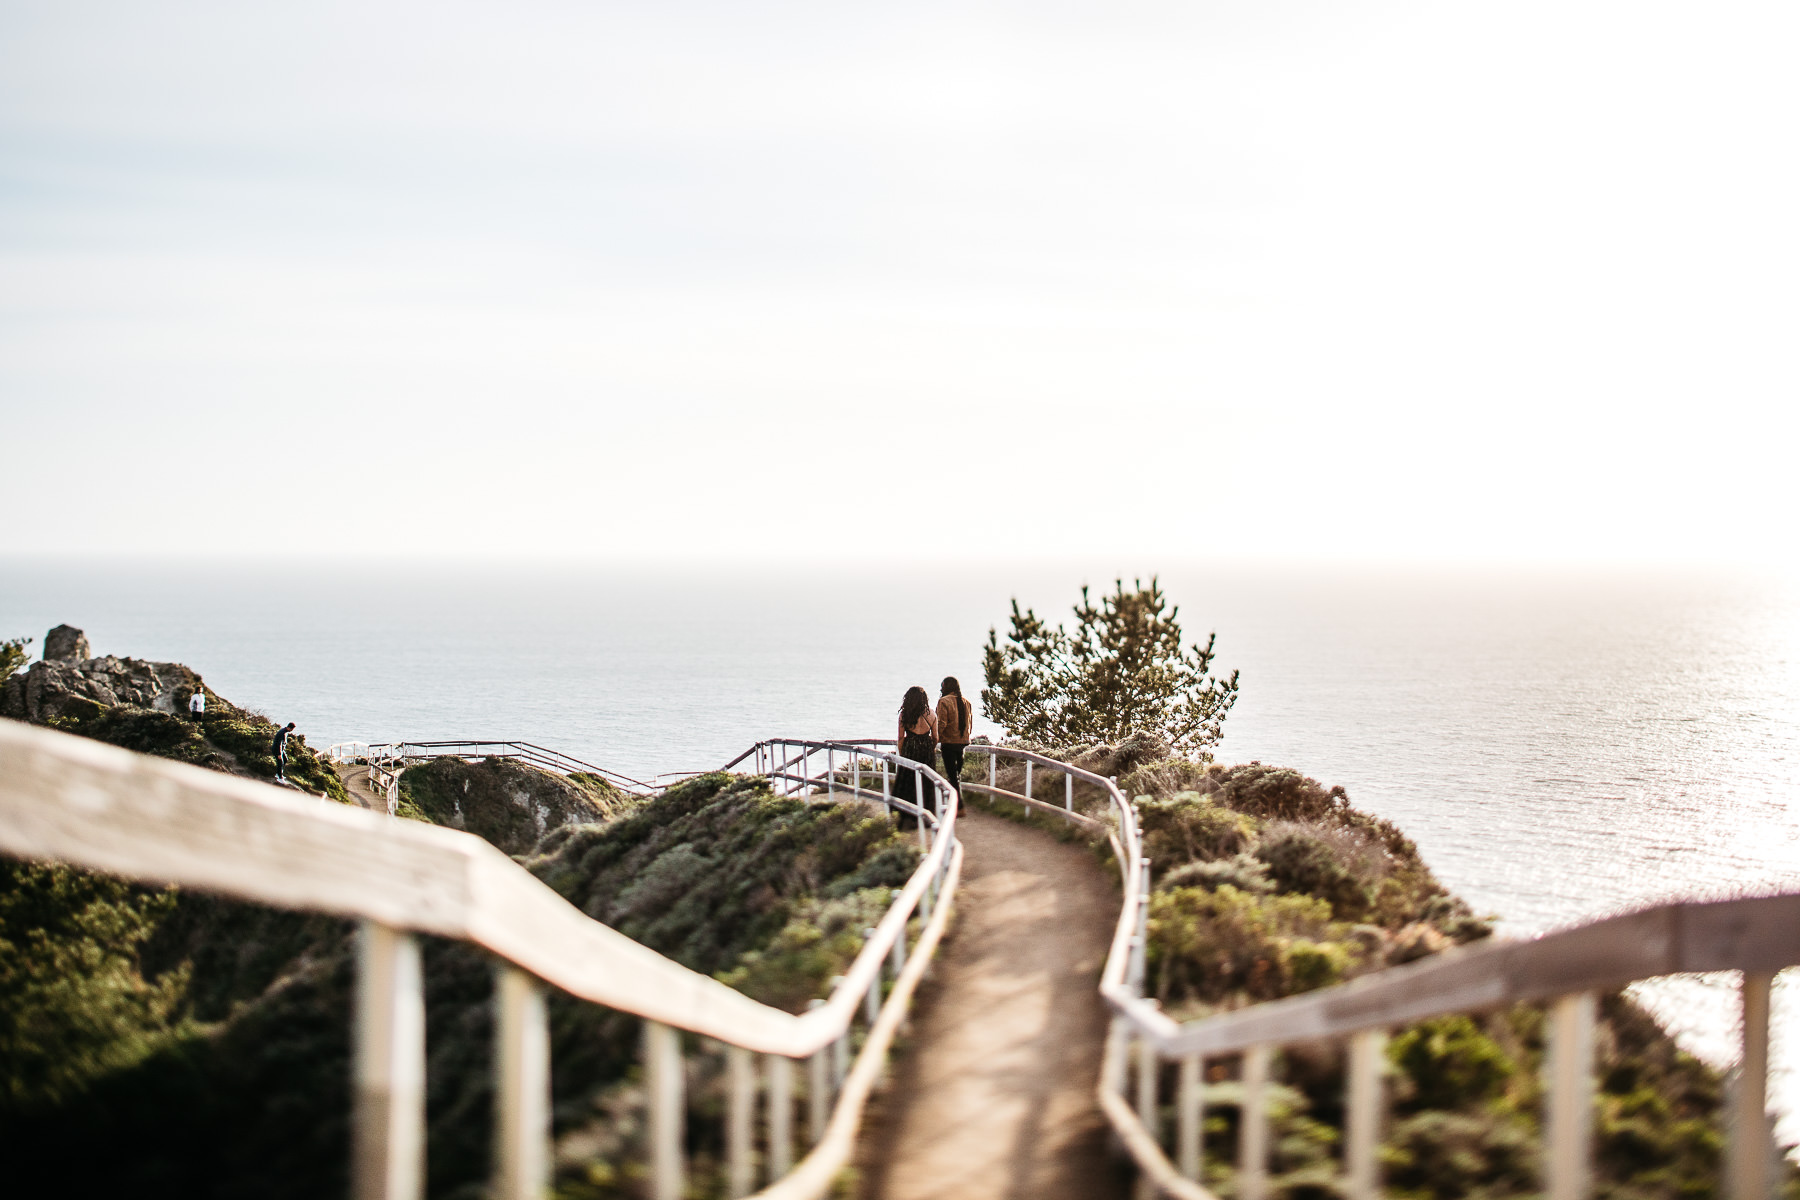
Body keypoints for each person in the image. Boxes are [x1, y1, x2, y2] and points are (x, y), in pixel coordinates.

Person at [892, 685, 937, 829]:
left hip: (910, 749)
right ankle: (927, 815)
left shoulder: (904, 715)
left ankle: (906, 815)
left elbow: (900, 737)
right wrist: (930, 748)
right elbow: (936, 737)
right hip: (926, 749)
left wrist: (901, 753)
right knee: (926, 782)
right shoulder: (931, 714)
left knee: (908, 781)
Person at [935, 677, 973, 812]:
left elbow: (941, 724)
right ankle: (955, 803)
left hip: (949, 743)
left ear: (947, 687)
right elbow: (970, 724)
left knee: (952, 776)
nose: (941, 689)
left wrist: (935, 739)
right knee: (956, 775)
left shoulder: (943, 701)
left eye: (942, 686)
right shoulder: (966, 702)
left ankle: (958, 807)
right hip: (962, 743)